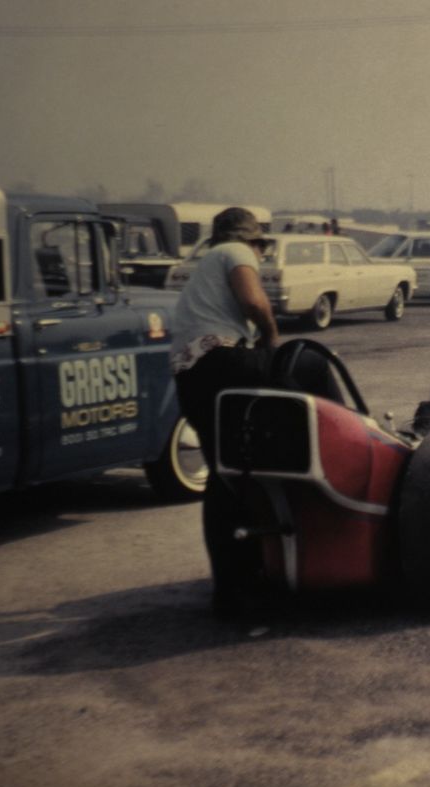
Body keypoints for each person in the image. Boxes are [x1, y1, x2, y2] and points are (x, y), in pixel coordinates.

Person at [169, 206, 281, 615]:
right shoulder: (237, 252)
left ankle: (230, 588)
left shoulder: (205, 266)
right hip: (220, 361)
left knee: (224, 472)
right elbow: (253, 301)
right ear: (251, 240)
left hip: (190, 374)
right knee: (309, 365)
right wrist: (271, 337)